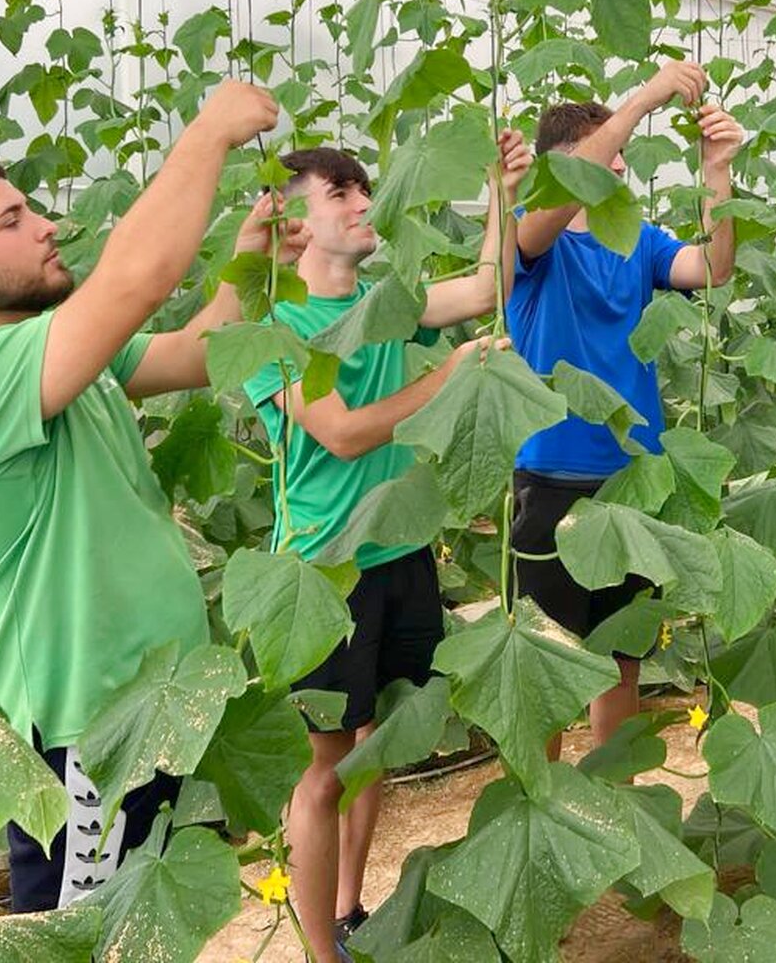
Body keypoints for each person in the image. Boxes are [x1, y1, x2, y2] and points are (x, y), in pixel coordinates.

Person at [0, 81, 291, 911]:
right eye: (13, 222)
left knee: (151, 929)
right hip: (83, 738)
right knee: (83, 937)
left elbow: (198, 352)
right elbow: (136, 277)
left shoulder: (51, 354)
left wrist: (251, 258)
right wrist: (207, 132)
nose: (48, 227)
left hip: (154, 708)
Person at [243, 133, 531, 961]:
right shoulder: (275, 328)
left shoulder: (384, 302)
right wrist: (450, 375)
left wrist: (499, 191)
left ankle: (347, 909)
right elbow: (338, 434)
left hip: (400, 554)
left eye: (364, 190)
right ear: (290, 221)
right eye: (341, 194)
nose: (365, 204)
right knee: (325, 768)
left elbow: (485, 287)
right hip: (322, 573)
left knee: (376, 749)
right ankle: (319, 952)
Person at [507, 59, 744, 753]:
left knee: (622, 666)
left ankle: (620, 807)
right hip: (553, 477)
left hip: (632, 479)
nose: (621, 169)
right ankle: (543, 813)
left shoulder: (637, 243)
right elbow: (547, 214)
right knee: (547, 675)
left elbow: (714, 269)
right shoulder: (530, 238)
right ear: (565, 169)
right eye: (607, 158)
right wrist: (644, 99)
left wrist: (718, 174)